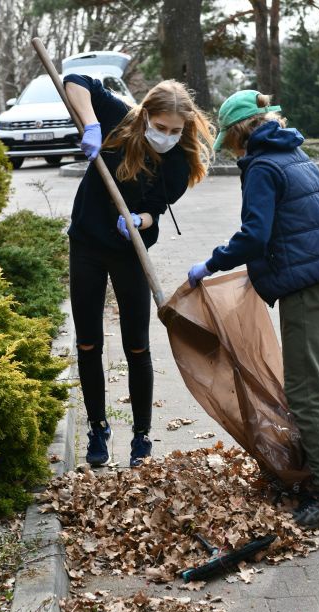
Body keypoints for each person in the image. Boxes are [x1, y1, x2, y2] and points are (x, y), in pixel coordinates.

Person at [187, 90, 319, 529]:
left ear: (239, 133)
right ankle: (318, 477)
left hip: (306, 285)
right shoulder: (293, 152)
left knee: (303, 391)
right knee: (305, 384)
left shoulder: (262, 166)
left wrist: (212, 262)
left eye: (231, 141)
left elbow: (255, 234)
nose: (233, 151)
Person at [64, 74, 214, 468]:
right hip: (86, 244)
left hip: (130, 252)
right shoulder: (120, 119)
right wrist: (92, 124)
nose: (165, 134)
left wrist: (139, 220)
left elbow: (156, 212)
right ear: (146, 115)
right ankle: (98, 428)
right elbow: (75, 81)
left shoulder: (178, 163)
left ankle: (141, 436)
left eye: (175, 130)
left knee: (136, 345)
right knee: (88, 343)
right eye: (160, 126)